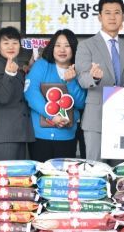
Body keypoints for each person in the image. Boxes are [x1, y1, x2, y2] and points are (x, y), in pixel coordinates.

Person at [76, 0, 124, 161]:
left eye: (117, 12)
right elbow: (82, 78)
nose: (112, 17)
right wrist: (93, 77)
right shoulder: (86, 45)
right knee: (96, 168)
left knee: (122, 169)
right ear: (100, 17)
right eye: (107, 13)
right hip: (96, 118)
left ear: (123, 17)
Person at [25, 29, 87, 162]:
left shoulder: (79, 70)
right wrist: (52, 115)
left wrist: (71, 82)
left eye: (67, 46)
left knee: (63, 174)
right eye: (58, 45)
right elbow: (31, 93)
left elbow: (81, 103)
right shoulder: (42, 65)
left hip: (67, 136)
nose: (62, 50)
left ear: (73, 48)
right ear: (52, 47)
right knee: (41, 173)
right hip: (40, 136)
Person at [0, 26, 35, 160]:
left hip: (17, 133)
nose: (11, 47)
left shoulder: (13, 65)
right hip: (3, 136)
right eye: (6, 43)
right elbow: (3, 97)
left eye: (15, 43)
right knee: (5, 173)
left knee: (17, 174)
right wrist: (8, 74)